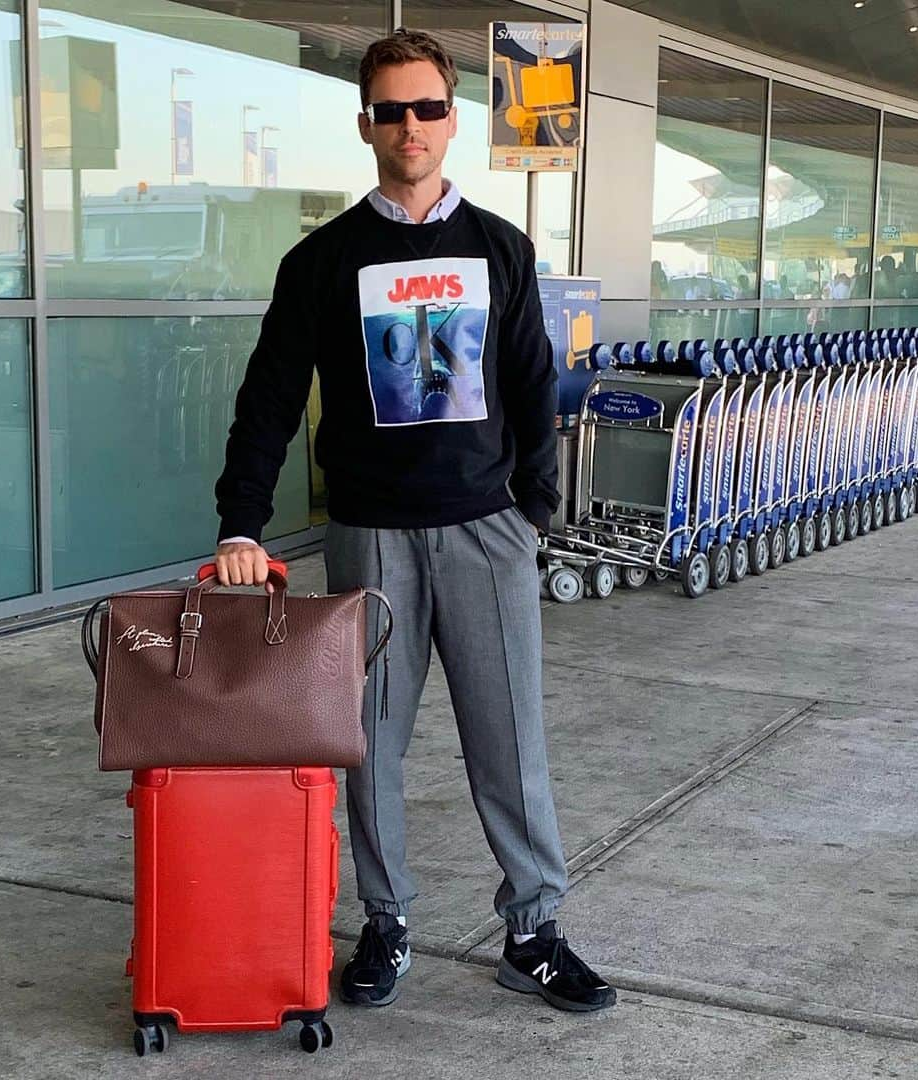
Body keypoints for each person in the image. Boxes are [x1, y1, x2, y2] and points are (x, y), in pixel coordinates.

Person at [213, 28, 615, 1015]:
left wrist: (533, 516)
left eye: (428, 107)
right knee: (369, 744)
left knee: (511, 742)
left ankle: (533, 928)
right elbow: (269, 399)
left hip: (486, 533)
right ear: (366, 125)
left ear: (452, 120)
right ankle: (386, 920)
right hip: (371, 538)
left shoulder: (500, 250)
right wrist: (240, 525)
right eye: (390, 109)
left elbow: (532, 389)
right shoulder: (324, 261)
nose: (410, 126)